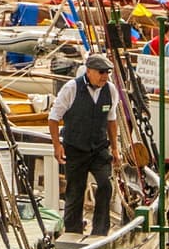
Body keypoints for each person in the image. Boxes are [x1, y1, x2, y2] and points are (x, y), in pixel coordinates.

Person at [47, 53, 121, 236]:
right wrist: (57, 145)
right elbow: (54, 118)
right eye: (101, 72)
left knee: (105, 185)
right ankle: (73, 230)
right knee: (75, 191)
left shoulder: (110, 90)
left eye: (107, 72)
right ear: (89, 71)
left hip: (98, 148)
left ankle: (100, 230)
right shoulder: (71, 88)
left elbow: (111, 120)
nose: (105, 76)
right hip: (75, 147)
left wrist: (115, 148)